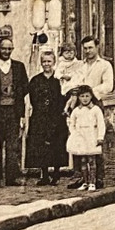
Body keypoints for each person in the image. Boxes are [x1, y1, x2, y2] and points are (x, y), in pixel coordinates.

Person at [0, 29, 30, 186]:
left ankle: (12, 177)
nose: (6, 51)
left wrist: (15, 93)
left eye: (9, 49)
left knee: (13, 145)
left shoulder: (19, 67)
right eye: (3, 48)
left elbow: (25, 87)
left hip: (13, 110)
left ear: (12, 50)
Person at [24, 48, 69, 186]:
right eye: (44, 61)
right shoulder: (36, 80)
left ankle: (56, 173)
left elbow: (65, 96)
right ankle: (44, 174)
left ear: (54, 62)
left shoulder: (59, 80)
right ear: (41, 63)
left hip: (56, 117)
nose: (47, 64)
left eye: (49, 61)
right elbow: (32, 98)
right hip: (40, 117)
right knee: (40, 146)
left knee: (56, 144)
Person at [79, 35, 114, 186]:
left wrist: (89, 92)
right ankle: (83, 177)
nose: (88, 51)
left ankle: (98, 177)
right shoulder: (81, 66)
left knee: (96, 140)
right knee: (80, 139)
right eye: (85, 48)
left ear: (97, 47)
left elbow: (108, 86)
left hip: (95, 104)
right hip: (80, 106)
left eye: (90, 47)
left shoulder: (104, 65)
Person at [65, 85, 106, 191]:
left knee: (92, 160)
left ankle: (92, 182)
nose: (85, 98)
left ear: (91, 96)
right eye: (82, 96)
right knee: (82, 160)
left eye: (87, 96)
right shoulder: (76, 111)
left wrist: (100, 137)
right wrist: (75, 134)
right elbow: (72, 123)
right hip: (81, 137)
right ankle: (85, 181)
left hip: (92, 136)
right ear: (78, 97)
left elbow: (101, 124)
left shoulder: (96, 110)